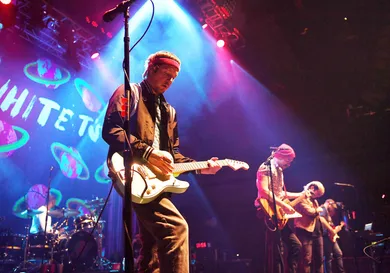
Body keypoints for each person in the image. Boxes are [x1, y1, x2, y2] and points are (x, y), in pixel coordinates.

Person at [102, 50, 221, 273]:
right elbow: (112, 130)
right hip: (133, 173)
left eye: (174, 77)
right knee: (176, 229)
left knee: (152, 250)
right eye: (167, 74)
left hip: (156, 184)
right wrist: (147, 153)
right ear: (152, 69)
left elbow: (172, 155)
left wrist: (201, 168)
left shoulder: (170, 112)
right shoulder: (130, 92)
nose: (170, 81)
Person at [255, 143, 303, 273]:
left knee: (296, 246)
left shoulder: (279, 170)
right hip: (268, 212)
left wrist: (301, 194)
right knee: (276, 251)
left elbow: (280, 193)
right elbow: (264, 192)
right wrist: (283, 205)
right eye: (288, 160)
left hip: (278, 212)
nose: (289, 164)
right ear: (280, 156)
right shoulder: (265, 167)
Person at [294, 181, 328, 273]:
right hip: (305, 232)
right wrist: (318, 209)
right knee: (306, 260)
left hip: (317, 232)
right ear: (312, 187)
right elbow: (310, 212)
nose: (318, 197)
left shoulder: (314, 200)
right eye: (318, 194)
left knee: (320, 259)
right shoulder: (301, 197)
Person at [320, 199, 346, 273]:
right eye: (333, 207)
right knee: (328, 257)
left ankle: (341, 271)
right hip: (326, 236)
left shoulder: (328, 214)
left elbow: (332, 227)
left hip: (330, 237)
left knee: (339, 254)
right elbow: (321, 219)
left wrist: (339, 227)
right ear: (329, 204)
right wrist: (332, 231)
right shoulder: (323, 209)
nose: (333, 210)